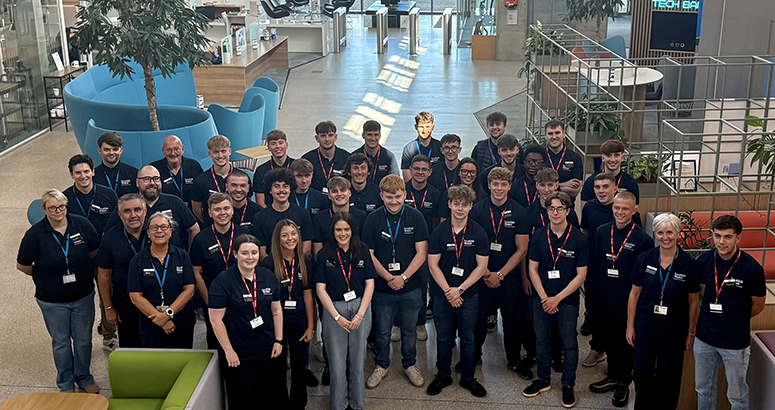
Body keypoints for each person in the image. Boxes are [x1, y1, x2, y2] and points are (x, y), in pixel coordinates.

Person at [17, 189, 100, 393]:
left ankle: (84, 376)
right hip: (52, 300)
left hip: (83, 295)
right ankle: (65, 382)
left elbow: (94, 250)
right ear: (44, 209)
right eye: (52, 207)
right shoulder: (35, 234)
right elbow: (23, 265)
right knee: (61, 343)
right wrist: (45, 277)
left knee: (83, 340)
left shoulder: (81, 224)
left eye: (61, 206)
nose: (58, 211)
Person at [627, 213, 700, 410]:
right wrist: (630, 326)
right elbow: (634, 295)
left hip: (674, 326)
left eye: (670, 232)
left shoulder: (688, 264)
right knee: (642, 372)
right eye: (660, 233)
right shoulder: (645, 259)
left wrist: (691, 332)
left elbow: (693, 302)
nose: (665, 237)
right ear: (655, 233)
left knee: (669, 374)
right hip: (646, 323)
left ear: (678, 233)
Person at [523, 191, 588, 408]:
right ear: (547, 210)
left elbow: (581, 275)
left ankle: (568, 384)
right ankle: (543, 380)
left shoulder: (578, 238)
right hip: (541, 299)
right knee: (541, 341)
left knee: (569, 344)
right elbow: (532, 269)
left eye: (560, 208)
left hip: (567, 301)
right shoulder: (539, 235)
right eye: (551, 208)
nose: (556, 212)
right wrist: (544, 298)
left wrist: (557, 299)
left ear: (568, 211)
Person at [363, 175, 429, 389]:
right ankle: (381, 365)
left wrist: (403, 277)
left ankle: (409, 364)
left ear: (405, 195)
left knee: (409, 330)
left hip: (410, 287)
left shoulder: (416, 217)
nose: (394, 201)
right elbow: (369, 254)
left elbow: (422, 253)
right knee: (382, 330)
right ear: (381, 196)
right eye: (389, 197)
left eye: (398, 197)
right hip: (383, 288)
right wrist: (389, 277)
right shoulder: (372, 219)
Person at [694, 215, 766, 410]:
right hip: (705, 338)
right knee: (703, 389)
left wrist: (735, 318)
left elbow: (759, 304)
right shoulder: (705, 260)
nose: (721, 242)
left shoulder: (752, 268)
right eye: (717, 236)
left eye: (727, 237)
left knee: (737, 395)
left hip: (735, 342)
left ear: (738, 238)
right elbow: (704, 290)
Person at [588, 192, 652, 407]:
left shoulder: (643, 239)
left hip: (629, 301)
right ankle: (612, 375)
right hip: (605, 297)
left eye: (625, 208)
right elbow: (597, 263)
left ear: (634, 211)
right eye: (617, 207)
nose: (620, 212)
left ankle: (624, 381)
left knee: (626, 341)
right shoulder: (601, 232)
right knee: (609, 338)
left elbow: (644, 276)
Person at [427, 185, 489, 398]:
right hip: (442, 294)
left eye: (464, 205)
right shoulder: (439, 232)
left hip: (469, 295)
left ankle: (468, 378)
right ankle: (443, 375)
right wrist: (448, 291)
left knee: (468, 338)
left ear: (471, 206)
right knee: (443, 337)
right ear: (449, 205)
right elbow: (433, 265)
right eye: (456, 204)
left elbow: (481, 267)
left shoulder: (479, 232)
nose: (460, 209)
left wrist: (460, 290)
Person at [208, 234, 283, 409]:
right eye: (245, 253)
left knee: (266, 396)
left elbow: (277, 310)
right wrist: (229, 351)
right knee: (242, 399)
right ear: (235, 254)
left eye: (254, 253)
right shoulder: (222, 282)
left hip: (266, 349)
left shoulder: (267, 275)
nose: (250, 257)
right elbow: (215, 320)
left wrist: (278, 340)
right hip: (238, 353)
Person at [469, 167, 531, 378]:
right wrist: (486, 272)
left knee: (511, 319)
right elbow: (473, 244)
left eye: (503, 184)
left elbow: (522, 249)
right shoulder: (477, 210)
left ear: (509, 185)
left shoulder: (519, 212)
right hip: (482, 273)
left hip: (509, 275)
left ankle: (514, 360)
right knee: (478, 319)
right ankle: (474, 356)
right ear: (489, 185)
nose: (499, 188)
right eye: (495, 184)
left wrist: (500, 275)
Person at [316, 212, 375, 410]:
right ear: (332, 231)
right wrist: (336, 317)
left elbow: (370, 284)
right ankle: (338, 405)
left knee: (358, 361)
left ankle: (357, 403)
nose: (343, 233)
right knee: (337, 364)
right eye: (338, 229)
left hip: (360, 307)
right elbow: (320, 289)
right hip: (335, 309)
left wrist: (360, 314)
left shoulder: (362, 250)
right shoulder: (324, 254)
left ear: (353, 230)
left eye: (346, 229)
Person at [261, 220, 316, 410]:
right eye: (285, 235)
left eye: (293, 234)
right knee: (278, 365)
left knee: (300, 365)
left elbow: (308, 295)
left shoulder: (305, 260)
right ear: (277, 238)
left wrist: (311, 326)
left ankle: (298, 403)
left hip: (299, 320)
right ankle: (280, 402)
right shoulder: (268, 264)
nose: (290, 238)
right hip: (277, 322)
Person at [128, 212, 196, 348]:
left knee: (181, 363)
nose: (159, 231)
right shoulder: (137, 260)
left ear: (171, 232)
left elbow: (189, 290)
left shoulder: (182, 256)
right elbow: (135, 296)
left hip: (181, 321)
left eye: (164, 227)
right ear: (148, 233)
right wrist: (161, 319)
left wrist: (168, 314)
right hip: (152, 322)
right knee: (155, 366)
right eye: (154, 227)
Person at [190, 193, 250, 348]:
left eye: (226, 208)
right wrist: (209, 300)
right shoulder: (201, 239)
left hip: (241, 297)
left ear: (232, 211)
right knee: (216, 342)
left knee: (243, 339)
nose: (222, 213)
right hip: (213, 298)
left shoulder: (245, 235)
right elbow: (196, 272)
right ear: (209, 213)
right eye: (217, 209)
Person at [96, 193, 148, 349]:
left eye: (137, 209)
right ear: (119, 214)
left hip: (155, 300)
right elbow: (103, 275)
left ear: (145, 211)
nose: (133, 215)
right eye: (127, 211)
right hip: (125, 302)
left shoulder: (156, 233)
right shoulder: (110, 238)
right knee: (130, 347)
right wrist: (109, 308)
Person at [106, 166, 200, 248]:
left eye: (156, 179)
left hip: (173, 262)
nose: (152, 183)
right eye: (146, 179)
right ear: (137, 182)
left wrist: (189, 255)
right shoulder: (128, 205)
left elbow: (194, 229)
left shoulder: (175, 202)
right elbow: (108, 234)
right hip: (136, 261)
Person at [252, 168, 313, 258]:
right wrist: (277, 265)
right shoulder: (260, 217)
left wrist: (291, 264)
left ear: (290, 189)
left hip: (297, 266)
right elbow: (262, 252)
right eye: (277, 186)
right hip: (271, 268)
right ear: (270, 190)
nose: (281, 190)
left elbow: (306, 248)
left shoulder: (303, 214)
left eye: (285, 186)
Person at [64, 154, 118, 237]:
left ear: (93, 172)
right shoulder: (64, 199)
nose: (83, 176)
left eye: (86, 171)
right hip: (78, 245)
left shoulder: (109, 194)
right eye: (78, 173)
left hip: (106, 243)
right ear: (72, 175)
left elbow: (118, 220)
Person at [312, 177, 368, 257]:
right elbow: (317, 253)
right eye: (334, 191)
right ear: (329, 196)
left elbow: (365, 248)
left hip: (355, 263)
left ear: (350, 193)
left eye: (343, 190)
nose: (339, 194)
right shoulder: (319, 219)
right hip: (328, 265)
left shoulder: (361, 216)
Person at [580, 139, 639, 207]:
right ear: (603, 158)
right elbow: (585, 212)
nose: (613, 159)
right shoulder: (591, 182)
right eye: (608, 155)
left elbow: (634, 211)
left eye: (616, 155)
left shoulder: (631, 184)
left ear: (622, 158)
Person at [150, 135, 204, 205]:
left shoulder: (194, 166)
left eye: (176, 149)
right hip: (166, 212)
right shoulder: (155, 169)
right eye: (169, 150)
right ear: (163, 151)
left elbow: (202, 190)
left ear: (183, 149)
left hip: (191, 212)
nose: (173, 153)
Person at [191, 135, 233, 224]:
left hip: (236, 226)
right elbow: (196, 209)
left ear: (229, 151)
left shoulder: (240, 178)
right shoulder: (200, 181)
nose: (220, 155)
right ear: (209, 154)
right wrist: (209, 222)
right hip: (211, 227)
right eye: (216, 152)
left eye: (223, 151)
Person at [301, 121, 350, 193]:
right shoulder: (307, 159)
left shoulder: (347, 158)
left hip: (340, 200)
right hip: (315, 201)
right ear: (317, 138)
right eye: (323, 136)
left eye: (330, 135)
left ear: (335, 137)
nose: (327, 139)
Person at [528, 168, 580, 235]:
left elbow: (576, 236)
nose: (546, 190)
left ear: (556, 185)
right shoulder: (529, 212)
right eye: (542, 185)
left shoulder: (568, 212)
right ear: (537, 185)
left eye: (550, 185)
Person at [254, 129, 294, 208]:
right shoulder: (261, 171)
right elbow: (260, 201)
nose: (278, 146)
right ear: (268, 147)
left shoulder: (296, 166)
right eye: (273, 144)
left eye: (281, 143)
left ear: (286, 145)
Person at [352, 120, 400, 185]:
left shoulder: (389, 156)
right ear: (363, 135)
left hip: (382, 194)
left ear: (380, 136)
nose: (373, 138)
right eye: (369, 135)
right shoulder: (354, 156)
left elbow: (395, 181)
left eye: (376, 135)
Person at [544, 120, 583, 200]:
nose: (554, 137)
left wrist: (548, 188)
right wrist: (564, 184)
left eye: (557, 133)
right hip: (544, 206)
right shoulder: (541, 156)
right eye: (550, 133)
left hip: (566, 207)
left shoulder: (575, 158)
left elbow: (575, 191)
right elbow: (536, 186)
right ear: (545, 136)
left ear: (564, 134)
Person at [93, 132, 138, 197]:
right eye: (107, 150)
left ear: (121, 150)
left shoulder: (134, 173)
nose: (111, 153)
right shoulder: (93, 176)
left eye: (115, 149)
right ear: (99, 151)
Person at [402, 111, 442, 180]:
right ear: (416, 127)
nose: (424, 130)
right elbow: (407, 177)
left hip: (437, 188)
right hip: (416, 188)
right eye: (421, 127)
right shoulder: (408, 149)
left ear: (433, 127)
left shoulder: (440, 146)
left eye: (427, 126)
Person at [405, 155, 441, 232]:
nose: (420, 172)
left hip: (428, 237)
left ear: (430, 172)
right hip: (405, 237)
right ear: (410, 170)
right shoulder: (401, 191)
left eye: (424, 169)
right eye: (417, 169)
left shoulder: (436, 194)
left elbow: (436, 222)